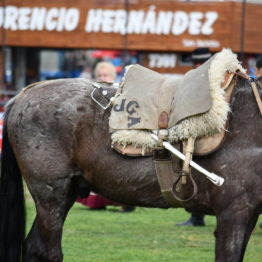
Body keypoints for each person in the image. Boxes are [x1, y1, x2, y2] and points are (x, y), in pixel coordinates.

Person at [77, 61, 135, 212]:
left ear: (113, 76)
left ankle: (126, 202)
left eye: (106, 75)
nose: (103, 78)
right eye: (100, 75)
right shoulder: (92, 94)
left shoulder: (123, 92)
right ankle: (97, 202)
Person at [176, 47, 212, 227]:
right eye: (196, 62)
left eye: (202, 62)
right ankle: (196, 217)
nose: (198, 65)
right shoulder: (191, 79)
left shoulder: (218, 78)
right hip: (196, 133)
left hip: (214, 133)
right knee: (193, 172)